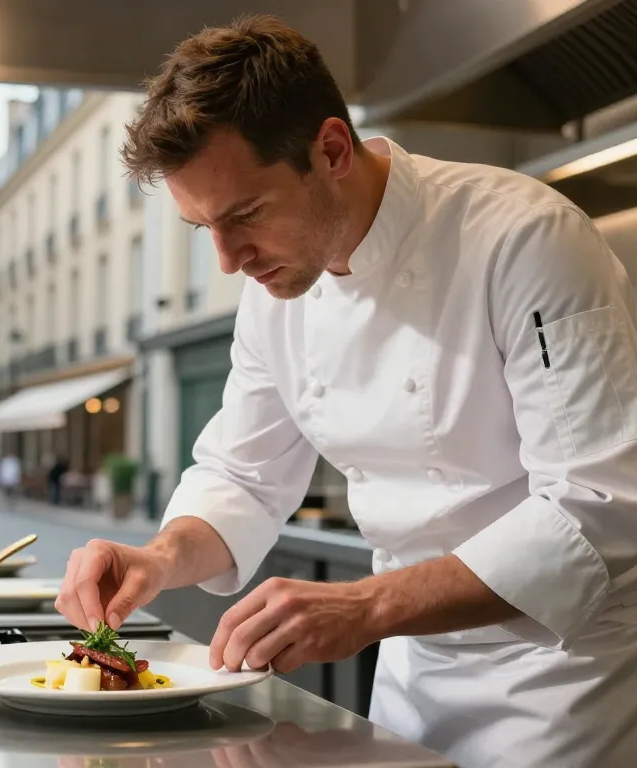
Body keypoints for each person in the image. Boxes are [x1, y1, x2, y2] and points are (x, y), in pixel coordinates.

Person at [54, 14, 637, 768]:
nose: (229, 261)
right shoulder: (275, 293)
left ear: (330, 149)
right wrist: (158, 559)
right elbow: (242, 475)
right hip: (410, 679)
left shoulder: (526, 239)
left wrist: (366, 606)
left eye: (245, 216)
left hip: (559, 688)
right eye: (204, 229)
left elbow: (599, 509)